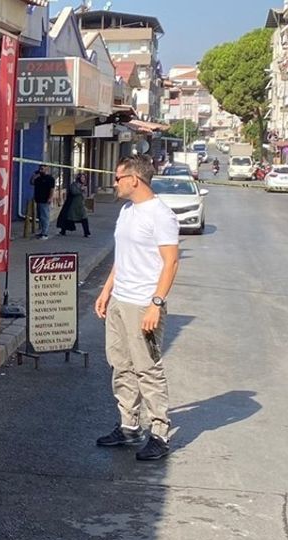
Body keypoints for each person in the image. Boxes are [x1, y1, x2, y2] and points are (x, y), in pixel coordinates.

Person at [94, 155, 180, 462]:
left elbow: (171, 262)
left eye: (118, 178)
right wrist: (107, 290)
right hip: (120, 300)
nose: (115, 183)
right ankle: (129, 426)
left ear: (134, 180)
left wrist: (156, 303)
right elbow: (122, 256)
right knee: (120, 364)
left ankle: (159, 433)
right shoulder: (127, 211)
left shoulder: (160, 215)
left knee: (147, 368)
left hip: (144, 303)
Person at [57, 173, 91, 238]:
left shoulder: (84, 186)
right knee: (67, 218)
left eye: (84, 178)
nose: (83, 179)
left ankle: (86, 233)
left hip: (80, 206)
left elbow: (84, 195)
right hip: (72, 206)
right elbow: (74, 192)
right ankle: (63, 231)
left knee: (84, 218)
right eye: (82, 177)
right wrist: (81, 189)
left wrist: (84, 191)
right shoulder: (74, 185)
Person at [30, 165, 56, 239]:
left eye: (42, 169)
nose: (40, 170)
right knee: (40, 216)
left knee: (44, 216)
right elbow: (32, 182)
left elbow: (52, 189)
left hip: (45, 200)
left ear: (47, 169)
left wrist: (50, 198)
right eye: (40, 169)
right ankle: (41, 232)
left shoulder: (50, 179)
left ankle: (45, 233)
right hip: (38, 199)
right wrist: (35, 174)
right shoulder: (38, 178)